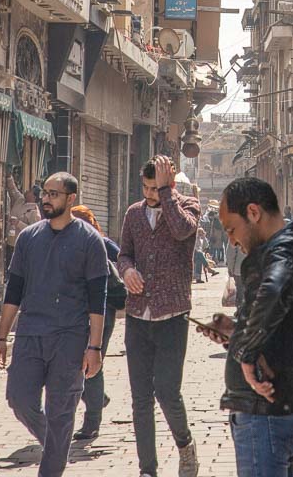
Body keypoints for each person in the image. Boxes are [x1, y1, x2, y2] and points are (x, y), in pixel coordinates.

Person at [199, 177, 293, 477]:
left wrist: (246, 352)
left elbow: (274, 291)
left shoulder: (286, 250)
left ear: (253, 213)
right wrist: (235, 331)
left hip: (264, 412)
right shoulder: (287, 247)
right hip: (268, 411)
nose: (230, 240)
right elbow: (280, 322)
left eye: (232, 229)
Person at [0, 172, 108, 477]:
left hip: (69, 338)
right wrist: (2, 337)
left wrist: (94, 346)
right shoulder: (29, 239)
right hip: (31, 333)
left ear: (71, 199)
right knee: (19, 399)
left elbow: (98, 300)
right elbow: (13, 290)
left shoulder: (90, 241)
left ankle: (52, 465)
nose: (46, 199)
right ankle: (57, 445)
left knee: (61, 413)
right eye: (45, 193)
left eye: (54, 194)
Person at [118, 155, 201, 477]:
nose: (150, 194)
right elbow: (124, 253)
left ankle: (185, 445)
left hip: (172, 315)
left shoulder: (188, 207)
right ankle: (147, 469)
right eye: (147, 188)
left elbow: (182, 232)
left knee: (167, 391)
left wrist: (168, 193)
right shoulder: (133, 214)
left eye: (156, 188)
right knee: (141, 398)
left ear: (169, 183)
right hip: (138, 314)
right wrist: (126, 271)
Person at [71, 204, 124, 441]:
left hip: (103, 313)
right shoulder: (70, 244)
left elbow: (123, 260)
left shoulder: (99, 243)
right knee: (72, 363)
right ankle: (97, 399)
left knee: (91, 362)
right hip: (77, 315)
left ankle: (92, 422)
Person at [5, 173, 41, 270]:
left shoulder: (34, 211)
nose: (26, 191)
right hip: (8, 241)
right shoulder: (20, 199)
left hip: (20, 245)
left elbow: (34, 231)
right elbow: (13, 189)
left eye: (29, 191)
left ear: (34, 196)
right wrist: (9, 176)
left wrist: (18, 223)